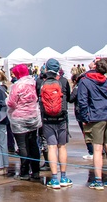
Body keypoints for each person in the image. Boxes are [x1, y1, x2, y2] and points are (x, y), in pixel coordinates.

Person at [76, 59, 107, 190]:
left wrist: (85, 117)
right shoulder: (106, 81)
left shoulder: (85, 81)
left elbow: (82, 101)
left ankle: (98, 180)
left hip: (96, 117)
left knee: (97, 149)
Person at [38, 58, 73, 189]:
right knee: (62, 146)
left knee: (51, 147)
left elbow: (38, 97)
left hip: (47, 118)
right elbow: (68, 98)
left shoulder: (41, 81)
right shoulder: (63, 81)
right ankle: (63, 177)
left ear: (46, 68)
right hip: (62, 118)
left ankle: (54, 178)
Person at [6, 64, 42, 181]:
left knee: (22, 145)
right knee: (33, 143)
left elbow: (11, 102)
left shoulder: (17, 85)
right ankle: (36, 171)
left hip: (19, 118)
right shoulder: (33, 83)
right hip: (33, 116)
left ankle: (24, 172)